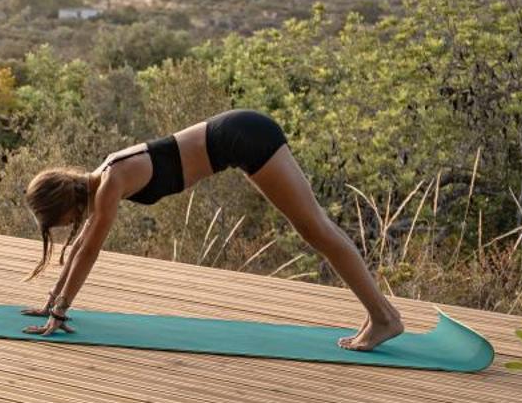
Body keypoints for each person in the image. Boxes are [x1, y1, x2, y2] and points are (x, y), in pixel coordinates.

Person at [21, 109, 405, 350]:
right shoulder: (103, 178)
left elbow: (88, 250)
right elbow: (82, 245)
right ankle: (380, 314)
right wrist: (54, 301)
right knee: (314, 229)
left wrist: (61, 311)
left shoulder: (109, 184)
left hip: (245, 137)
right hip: (240, 134)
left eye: (62, 221)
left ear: (66, 206)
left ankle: (385, 319)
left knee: (315, 229)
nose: (68, 227)